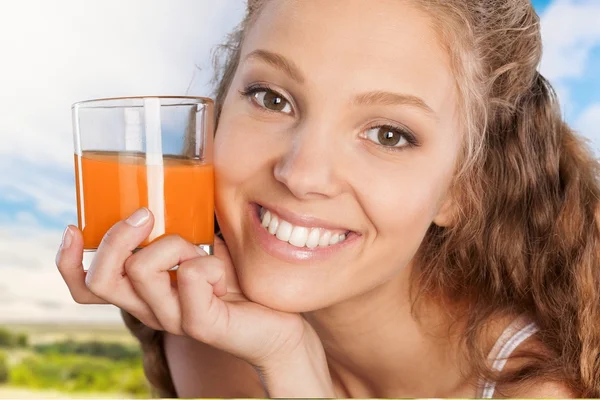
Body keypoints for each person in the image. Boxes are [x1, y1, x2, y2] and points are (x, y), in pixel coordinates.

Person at [56, 0, 600, 397]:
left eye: (389, 134)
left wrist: (291, 368)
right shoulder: (206, 346)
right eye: (271, 98)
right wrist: (284, 353)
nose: (302, 173)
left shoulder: (533, 389)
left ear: (463, 188)